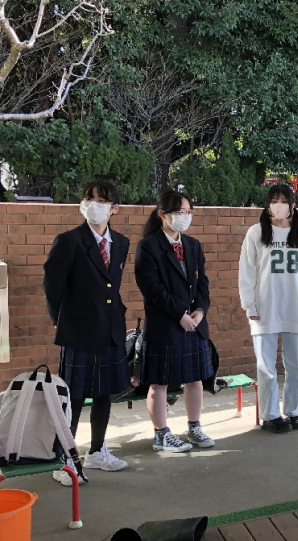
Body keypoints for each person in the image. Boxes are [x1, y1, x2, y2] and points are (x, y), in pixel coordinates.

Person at [43, 180, 132, 483]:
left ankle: (97, 451)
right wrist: (61, 322)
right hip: (78, 331)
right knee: (75, 398)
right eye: (89, 198)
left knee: (105, 394)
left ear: (114, 208)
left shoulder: (121, 242)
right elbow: (52, 288)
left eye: (102, 200)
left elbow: (111, 285)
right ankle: (66, 460)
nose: (94, 204)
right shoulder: (68, 241)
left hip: (111, 329)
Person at [134, 190, 215, 453]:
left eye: (189, 212)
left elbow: (203, 282)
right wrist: (180, 314)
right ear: (163, 214)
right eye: (180, 212)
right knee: (159, 383)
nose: (185, 217)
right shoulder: (148, 246)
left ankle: (194, 427)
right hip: (165, 324)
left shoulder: (193, 244)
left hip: (194, 325)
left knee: (195, 380)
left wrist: (200, 310)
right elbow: (152, 288)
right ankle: (161, 434)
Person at [239, 184, 298, 433]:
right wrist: (249, 304)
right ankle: (270, 415)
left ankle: (293, 411)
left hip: (295, 308)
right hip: (264, 308)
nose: (279, 205)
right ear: (267, 205)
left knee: (294, 365)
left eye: (284, 201)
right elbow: (246, 271)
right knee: (266, 367)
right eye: (274, 200)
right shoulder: (256, 232)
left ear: (293, 205)